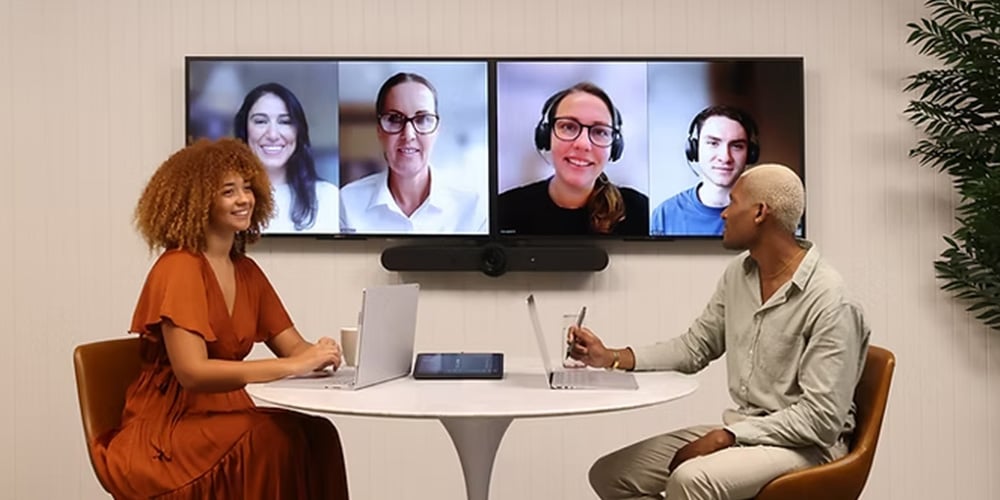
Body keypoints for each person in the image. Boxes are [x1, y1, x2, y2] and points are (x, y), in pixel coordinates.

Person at [569, 164, 870, 500]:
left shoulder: (831, 301)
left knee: (691, 480)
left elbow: (821, 420)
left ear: (759, 213)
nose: (724, 213)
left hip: (807, 447)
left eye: (733, 202)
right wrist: (612, 356)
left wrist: (727, 436)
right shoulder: (739, 275)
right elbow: (695, 347)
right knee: (613, 475)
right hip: (745, 430)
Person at [95, 138, 350, 499]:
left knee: (319, 434)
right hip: (168, 429)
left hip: (225, 416)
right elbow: (193, 372)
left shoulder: (246, 271)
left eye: (248, 188)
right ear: (197, 201)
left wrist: (323, 355)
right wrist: (296, 364)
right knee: (271, 439)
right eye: (228, 191)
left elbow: (293, 347)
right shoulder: (179, 267)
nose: (244, 199)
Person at [339, 72, 487, 234]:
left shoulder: (472, 207)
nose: (408, 135)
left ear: (437, 130)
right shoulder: (347, 202)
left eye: (422, 119)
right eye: (395, 119)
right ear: (379, 131)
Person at [499, 82, 649, 236]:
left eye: (600, 132)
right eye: (569, 127)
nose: (583, 144)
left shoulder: (641, 212)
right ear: (545, 136)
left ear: (615, 146)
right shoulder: (504, 209)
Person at [234, 82, 340, 233]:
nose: (272, 135)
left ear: (298, 132)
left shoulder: (328, 197)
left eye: (285, 122)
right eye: (260, 121)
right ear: (244, 130)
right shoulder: (225, 200)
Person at [650, 105, 760, 236]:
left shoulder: (767, 215)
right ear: (694, 149)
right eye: (713, 143)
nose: (725, 157)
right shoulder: (664, 215)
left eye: (737, 146)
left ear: (750, 154)